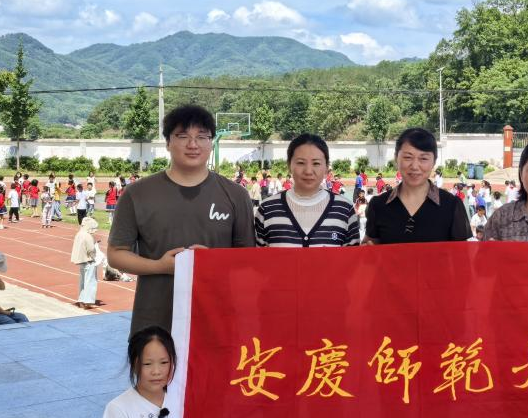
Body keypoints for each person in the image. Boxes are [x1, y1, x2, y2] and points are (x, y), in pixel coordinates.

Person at [108, 105, 256, 334]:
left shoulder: (236, 195)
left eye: (202, 137)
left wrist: (213, 263)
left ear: (211, 142)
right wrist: (159, 266)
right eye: (183, 136)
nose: (193, 144)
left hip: (218, 320)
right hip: (154, 321)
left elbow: (247, 259)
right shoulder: (137, 194)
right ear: (168, 142)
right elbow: (116, 254)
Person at [363, 128, 470, 244]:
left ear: (434, 161)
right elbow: (370, 244)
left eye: (423, 158)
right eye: (408, 157)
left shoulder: (452, 205)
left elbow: (462, 253)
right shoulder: (378, 205)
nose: (414, 166)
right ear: (396, 158)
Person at [254, 134, 360, 248]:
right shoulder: (267, 209)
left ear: (326, 168)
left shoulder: (345, 209)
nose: (308, 171)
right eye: (300, 162)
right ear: (289, 165)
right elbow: (257, 257)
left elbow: (353, 258)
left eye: (316, 163)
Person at [72, 217, 101, 309]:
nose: (95, 231)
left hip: (81, 261)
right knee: (90, 281)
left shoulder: (79, 234)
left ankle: (81, 300)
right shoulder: (87, 236)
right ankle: (88, 302)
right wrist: (95, 255)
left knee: (82, 281)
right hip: (89, 261)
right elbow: (91, 249)